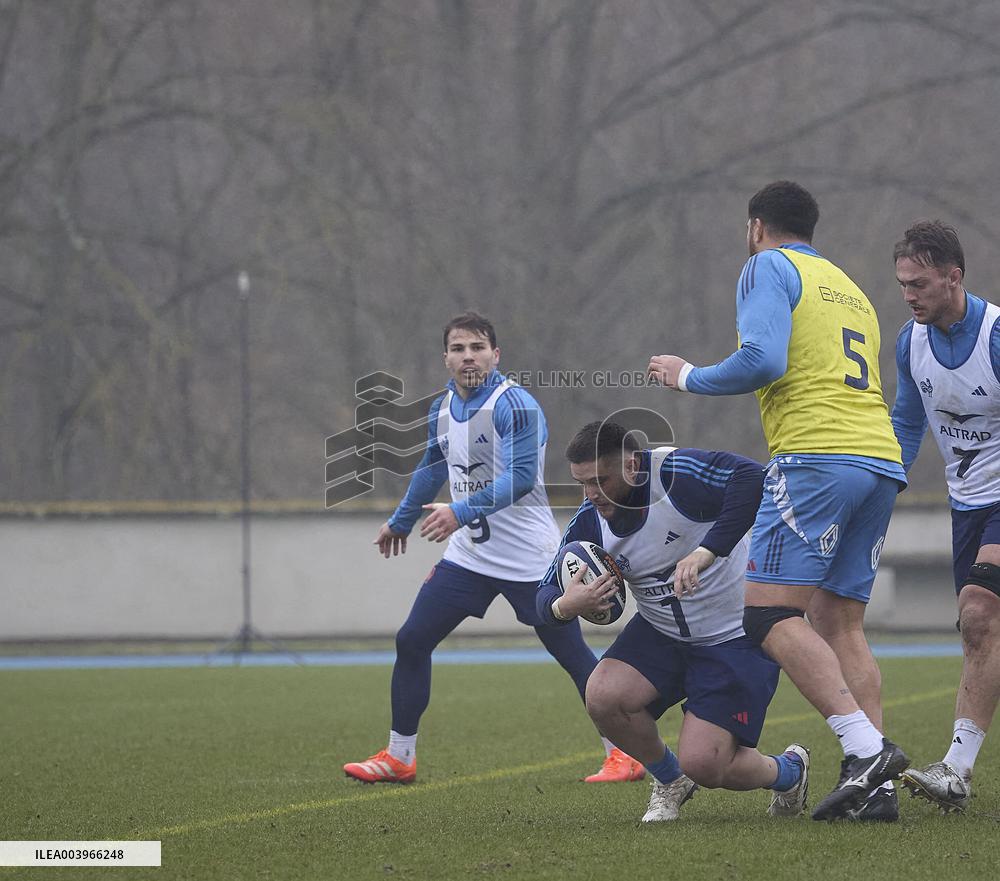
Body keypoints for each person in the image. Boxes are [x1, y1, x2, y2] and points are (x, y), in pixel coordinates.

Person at [647, 180, 909, 821]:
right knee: (839, 621)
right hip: (878, 460)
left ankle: (867, 751)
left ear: (756, 227)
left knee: (766, 616)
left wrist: (687, 376)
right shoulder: (847, 286)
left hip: (815, 458)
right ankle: (875, 792)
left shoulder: (767, 265)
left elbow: (762, 360)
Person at [344, 312, 641, 785]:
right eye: (458, 348)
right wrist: (400, 521)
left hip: (528, 559)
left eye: (478, 347)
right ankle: (400, 757)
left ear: (495, 355)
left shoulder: (515, 405)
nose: (469, 357)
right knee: (412, 640)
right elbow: (432, 464)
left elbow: (521, 478)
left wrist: (459, 512)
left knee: (571, 655)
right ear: (445, 358)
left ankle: (625, 754)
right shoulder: (442, 407)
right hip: (470, 558)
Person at [536, 420, 810, 822]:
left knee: (706, 765)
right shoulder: (590, 520)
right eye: (582, 484)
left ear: (632, 465)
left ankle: (789, 771)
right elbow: (543, 595)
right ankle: (670, 779)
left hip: (733, 636)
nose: (590, 494)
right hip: (661, 634)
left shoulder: (675, 475)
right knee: (602, 695)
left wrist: (707, 551)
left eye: (600, 481)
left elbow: (753, 478)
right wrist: (566, 605)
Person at [891, 221, 1000, 813]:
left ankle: (955, 770)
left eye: (920, 284)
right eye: (903, 284)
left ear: (954, 277)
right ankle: (956, 778)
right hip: (967, 507)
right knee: (978, 631)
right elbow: (908, 424)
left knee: (979, 612)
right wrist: (882, 484)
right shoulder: (909, 343)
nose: (909, 295)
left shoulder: (996, 336)